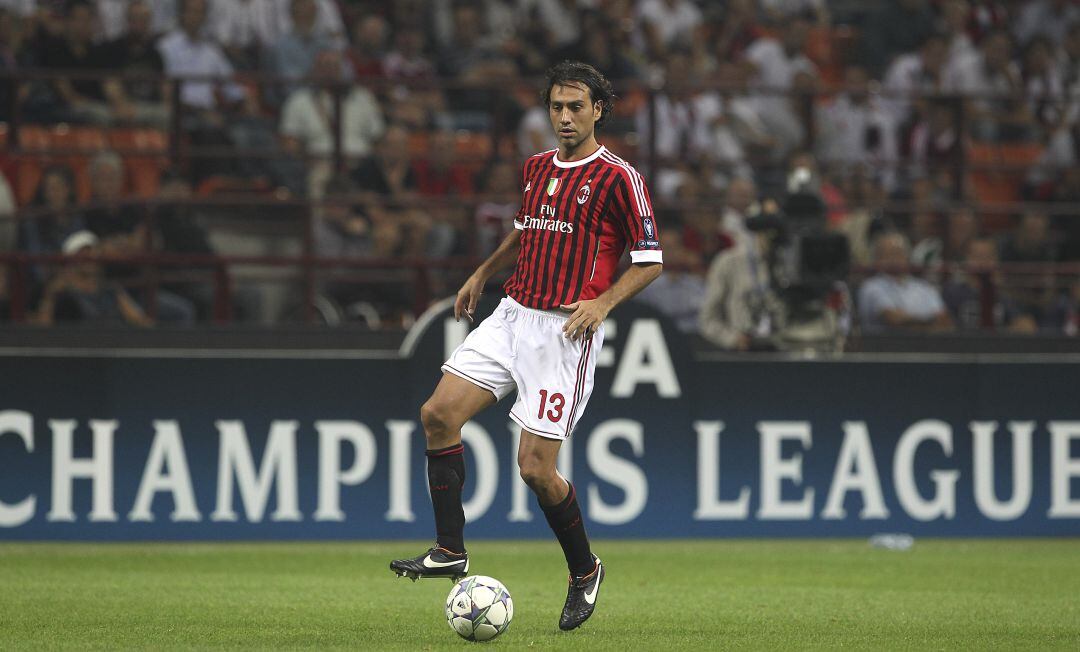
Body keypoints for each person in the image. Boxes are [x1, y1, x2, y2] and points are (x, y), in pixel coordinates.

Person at [389, 61, 663, 632]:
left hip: (565, 330)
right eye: (556, 107)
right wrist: (482, 272)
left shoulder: (619, 177)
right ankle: (450, 549)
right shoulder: (537, 167)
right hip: (512, 313)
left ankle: (584, 570)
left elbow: (651, 260)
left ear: (598, 111)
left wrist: (603, 303)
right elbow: (529, 226)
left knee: (536, 470)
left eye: (575, 107)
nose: (564, 117)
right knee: (438, 415)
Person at [858, 232, 952, 332]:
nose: (893, 259)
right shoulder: (871, 287)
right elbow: (893, 320)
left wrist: (912, 321)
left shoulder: (924, 287)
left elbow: (945, 321)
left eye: (898, 253)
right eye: (887, 254)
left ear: (907, 257)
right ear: (876, 259)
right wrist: (929, 322)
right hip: (886, 345)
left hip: (927, 345)